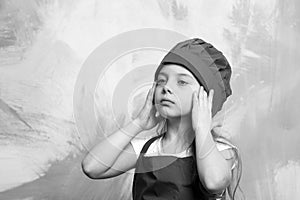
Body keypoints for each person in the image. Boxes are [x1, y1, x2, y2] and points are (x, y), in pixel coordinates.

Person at [81, 38, 242, 200]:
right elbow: (92, 167)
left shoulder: (221, 151)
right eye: (161, 81)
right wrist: (138, 123)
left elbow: (214, 182)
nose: (166, 88)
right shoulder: (148, 148)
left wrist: (202, 128)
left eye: (182, 82)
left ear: (206, 97)